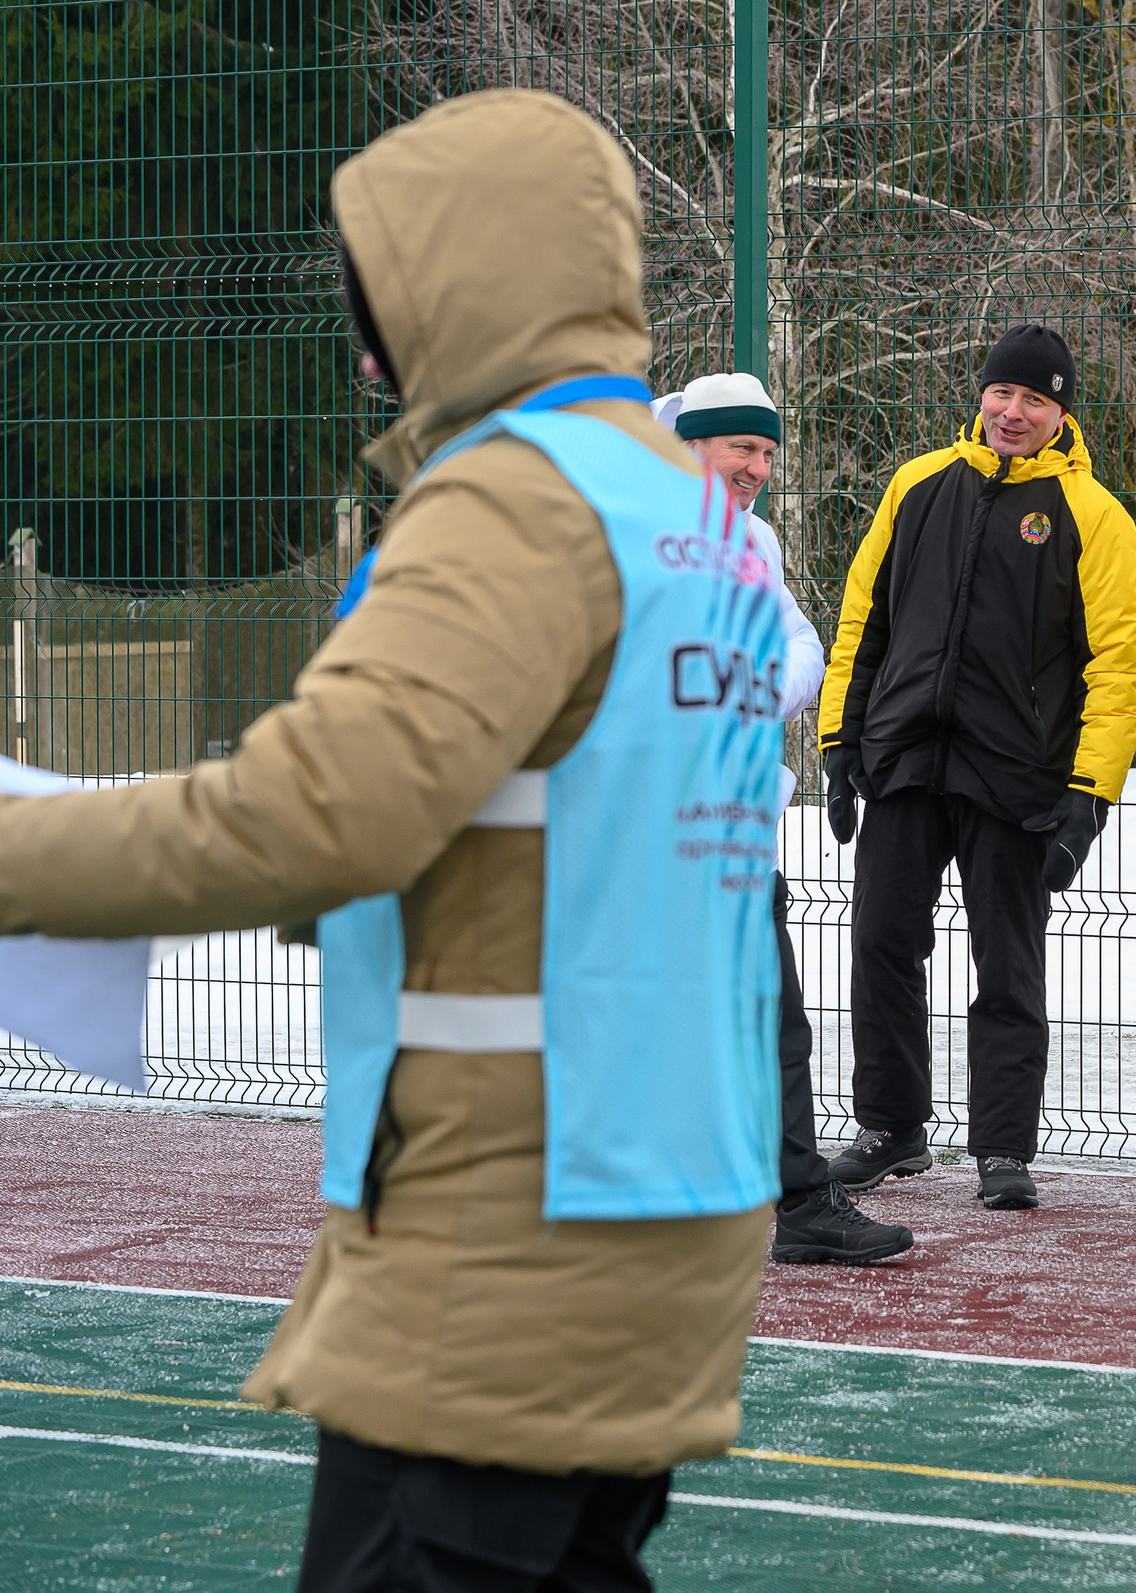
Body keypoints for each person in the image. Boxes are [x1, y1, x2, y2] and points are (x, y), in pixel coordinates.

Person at [0, 90, 788, 1587]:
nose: (371, 346)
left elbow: (320, 811)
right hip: (663, 1192)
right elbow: (560, 838)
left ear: (468, 284)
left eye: (387, 294)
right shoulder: (689, 514)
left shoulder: (513, 501)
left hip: (508, 1219)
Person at [815, 326, 1136, 1212]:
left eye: (1036, 400)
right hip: (904, 760)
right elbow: (864, 621)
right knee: (882, 943)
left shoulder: (1097, 517)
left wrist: (1089, 797)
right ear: (983, 396)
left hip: (1017, 776)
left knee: (1008, 963)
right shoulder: (917, 486)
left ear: (1061, 413)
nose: (1014, 412)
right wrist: (840, 744)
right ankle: (892, 1127)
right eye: (1004, 394)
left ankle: (1003, 1146)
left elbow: (1118, 666)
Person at [654, 374, 912, 1267]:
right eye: (743, 450)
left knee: (770, 1023)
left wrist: (758, 683)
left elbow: (802, 644)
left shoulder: (753, 537)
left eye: (768, 452)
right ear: (696, 445)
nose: (758, 467)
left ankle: (799, 1202)